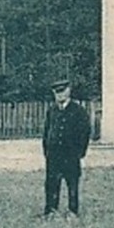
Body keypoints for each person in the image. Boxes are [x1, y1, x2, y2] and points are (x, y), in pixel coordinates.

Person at [41, 79, 92, 217]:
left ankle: (73, 211)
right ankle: (51, 211)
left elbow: (85, 132)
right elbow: (46, 132)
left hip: (71, 155)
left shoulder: (78, 111)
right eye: (57, 93)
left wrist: (80, 153)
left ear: (69, 91)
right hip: (54, 155)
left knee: (72, 183)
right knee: (51, 184)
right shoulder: (52, 111)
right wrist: (46, 150)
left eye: (62, 92)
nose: (60, 95)